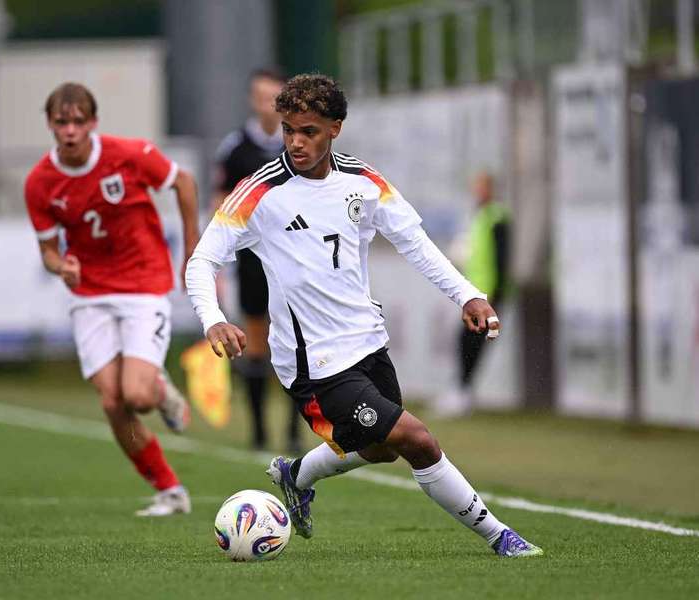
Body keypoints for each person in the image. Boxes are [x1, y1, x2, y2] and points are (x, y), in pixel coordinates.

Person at [185, 74, 542, 557]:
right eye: (288, 130)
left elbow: (415, 244)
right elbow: (202, 260)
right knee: (417, 439)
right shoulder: (259, 191)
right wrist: (213, 318)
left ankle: (297, 475)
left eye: (308, 131)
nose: (295, 142)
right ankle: (501, 536)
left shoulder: (364, 182)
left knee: (380, 449)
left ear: (335, 128)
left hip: (367, 342)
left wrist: (467, 296)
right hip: (313, 363)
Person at [25, 82, 198, 517]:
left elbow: (184, 182)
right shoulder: (40, 182)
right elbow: (48, 251)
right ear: (49, 124)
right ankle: (170, 490)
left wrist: (192, 250)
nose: (70, 130)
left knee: (137, 396)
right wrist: (60, 266)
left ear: (93, 123)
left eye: (78, 121)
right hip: (90, 295)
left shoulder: (130, 155)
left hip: (143, 284)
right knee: (112, 402)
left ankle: (158, 388)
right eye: (61, 122)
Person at [213, 68, 301, 452]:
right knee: (257, 341)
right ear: (252, 100)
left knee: (298, 341)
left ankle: (297, 432)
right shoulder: (236, 148)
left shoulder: (299, 142)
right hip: (252, 260)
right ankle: (260, 432)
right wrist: (220, 253)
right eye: (261, 97)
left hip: (294, 258)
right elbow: (220, 201)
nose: (268, 104)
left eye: (274, 97)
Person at [437, 172, 512, 416]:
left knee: (470, 341)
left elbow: (502, 258)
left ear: (490, 189)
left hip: (488, 293)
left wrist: (497, 293)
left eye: (481, 187)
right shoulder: (479, 215)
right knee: (467, 341)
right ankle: (462, 390)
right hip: (476, 291)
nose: (477, 191)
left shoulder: (497, 217)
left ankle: (462, 392)